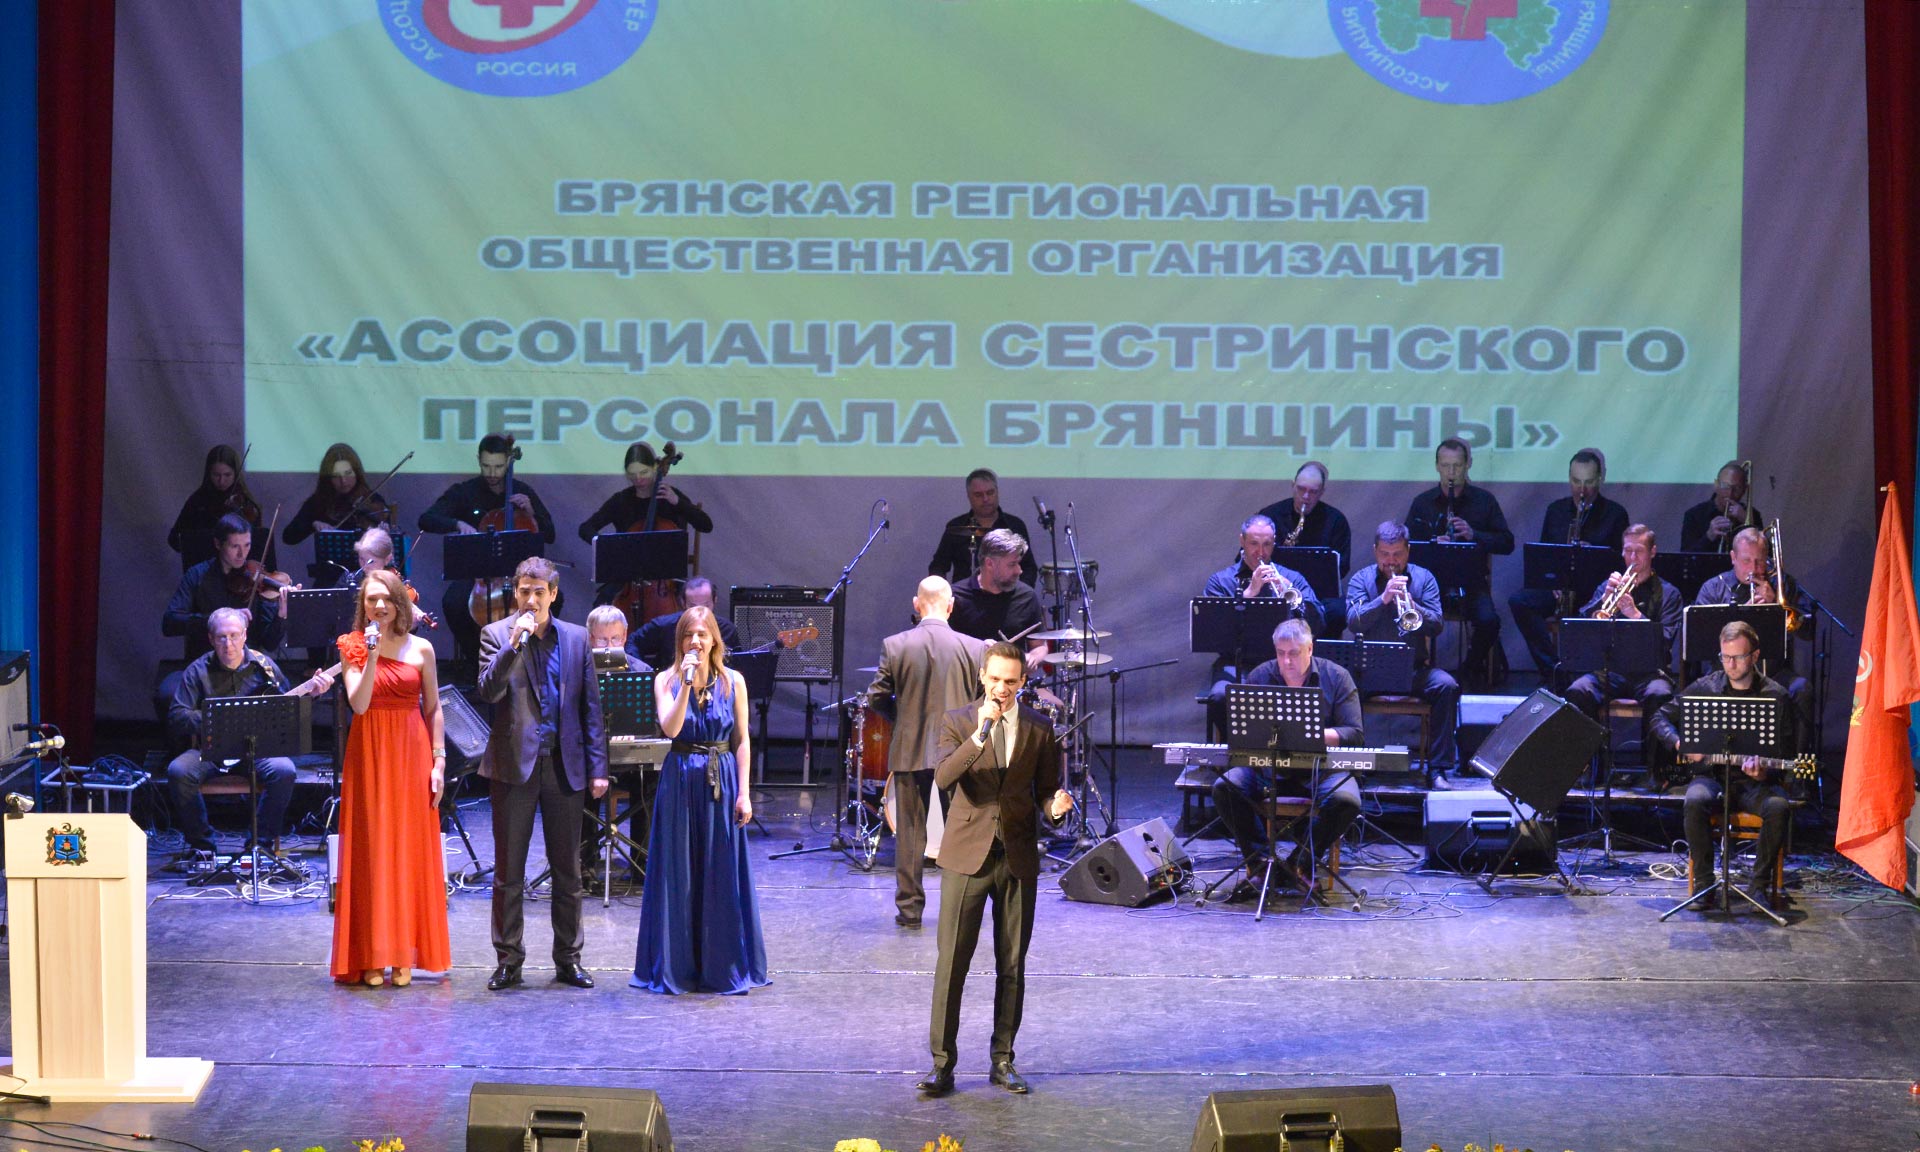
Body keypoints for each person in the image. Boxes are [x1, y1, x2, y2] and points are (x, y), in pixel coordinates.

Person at [917, 643, 1074, 1098]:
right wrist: (979, 736)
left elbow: (1045, 790)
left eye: (1011, 681)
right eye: (995, 679)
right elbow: (944, 777)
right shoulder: (959, 721)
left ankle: (1003, 1060)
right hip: (967, 855)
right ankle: (942, 1064)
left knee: (1012, 964)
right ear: (982, 678)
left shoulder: (1040, 728)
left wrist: (1055, 807)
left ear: (1022, 682)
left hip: (1016, 856)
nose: (1002, 688)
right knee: (952, 963)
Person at [474, 557, 607, 992]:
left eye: (538, 592)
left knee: (568, 871)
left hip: (564, 766)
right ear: (515, 592)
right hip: (514, 767)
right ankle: (509, 960)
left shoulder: (576, 638)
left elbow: (591, 709)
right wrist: (514, 644)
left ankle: (568, 959)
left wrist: (598, 767)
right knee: (508, 872)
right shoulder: (496, 634)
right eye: (523, 591)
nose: (530, 600)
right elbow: (488, 691)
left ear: (553, 594)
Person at [632, 605, 769, 995]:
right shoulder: (666, 679)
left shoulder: (734, 681)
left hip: (720, 778)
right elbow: (671, 728)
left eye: (702, 635)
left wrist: (744, 793)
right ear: (680, 641)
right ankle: (678, 965)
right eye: (688, 635)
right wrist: (686, 685)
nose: (695, 641)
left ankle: (722, 965)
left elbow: (741, 741)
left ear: (714, 641)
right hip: (679, 779)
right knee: (679, 873)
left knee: (720, 870)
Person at [329, 570, 452, 987]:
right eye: (370, 600)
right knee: (372, 850)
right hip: (369, 753)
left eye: (385, 599)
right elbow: (360, 704)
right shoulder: (352, 646)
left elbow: (434, 708)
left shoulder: (422, 649)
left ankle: (401, 953)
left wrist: (438, 761)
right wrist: (371, 655)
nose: (378, 606)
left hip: (412, 752)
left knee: (406, 849)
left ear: (399, 603)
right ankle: (371, 954)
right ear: (362, 605)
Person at [866, 577, 986, 929]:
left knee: (909, 835)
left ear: (917, 605)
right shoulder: (974, 648)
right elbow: (984, 701)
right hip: (958, 753)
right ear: (951, 606)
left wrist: (902, 717)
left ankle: (909, 911)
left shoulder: (895, 645)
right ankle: (960, 909)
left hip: (910, 748)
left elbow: (876, 697)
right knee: (960, 832)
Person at [1210, 620, 1364, 893]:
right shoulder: (1261, 675)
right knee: (1225, 787)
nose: (1286, 661)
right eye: (1280, 653)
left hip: (1320, 769)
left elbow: (1354, 733)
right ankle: (1260, 864)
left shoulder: (1337, 677)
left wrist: (1310, 733)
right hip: (1267, 768)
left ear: (1310, 649)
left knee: (1346, 800)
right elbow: (1243, 731)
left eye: (1294, 653)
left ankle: (1299, 863)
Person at [1649, 621, 1797, 906]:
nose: (1730, 664)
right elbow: (1659, 717)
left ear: (1755, 656)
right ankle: (1704, 885)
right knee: (1694, 800)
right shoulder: (1705, 687)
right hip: (1712, 778)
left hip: (1755, 784)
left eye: (1738, 657)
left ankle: (1758, 887)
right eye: (1725, 657)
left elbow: (1787, 752)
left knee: (1778, 807)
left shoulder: (1775, 695)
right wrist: (1681, 744)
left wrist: (1764, 772)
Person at [165, 608, 329, 860]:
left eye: (234, 635)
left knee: (284, 770)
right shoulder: (197, 670)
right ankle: (203, 847)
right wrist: (219, 719)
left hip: (256, 749)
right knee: (179, 771)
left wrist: (313, 695)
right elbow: (177, 715)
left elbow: (288, 707)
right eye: (221, 637)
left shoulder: (264, 666)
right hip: (210, 749)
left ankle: (259, 846)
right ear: (211, 639)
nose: (228, 643)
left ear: (244, 636)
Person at [418, 434, 558, 666]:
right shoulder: (465, 491)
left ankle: (535, 661)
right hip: (478, 574)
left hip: (520, 574)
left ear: (508, 462)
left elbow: (550, 534)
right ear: (478, 460)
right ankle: (478, 663)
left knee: (555, 598)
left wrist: (532, 512)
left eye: (499, 467)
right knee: (454, 603)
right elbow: (426, 519)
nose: (492, 473)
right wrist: (457, 524)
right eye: (486, 466)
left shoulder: (522, 492)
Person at [1345, 522, 1460, 786]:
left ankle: (1438, 769)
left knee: (1446, 686)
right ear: (1375, 551)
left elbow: (1437, 624)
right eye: (1385, 554)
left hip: (1413, 670)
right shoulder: (1361, 579)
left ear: (1408, 551)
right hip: (1370, 670)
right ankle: (1353, 767)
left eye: (1397, 554)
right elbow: (1353, 621)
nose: (1391, 561)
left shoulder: (1424, 578)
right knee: (1342, 687)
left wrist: (1412, 605)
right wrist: (1383, 599)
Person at [1562, 525, 1683, 767]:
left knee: (1660, 695)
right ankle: (1592, 768)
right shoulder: (1606, 587)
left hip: (1650, 673)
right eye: (1628, 551)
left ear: (1653, 552)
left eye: (1639, 551)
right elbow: (1584, 627)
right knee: (1578, 690)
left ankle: (1656, 772)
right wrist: (1603, 600)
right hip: (1611, 670)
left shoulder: (1669, 594)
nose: (1633, 558)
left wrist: (1635, 614)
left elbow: (1666, 641)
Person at [1509, 448, 1632, 677]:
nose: (1582, 490)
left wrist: (1591, 553)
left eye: (1588, 482)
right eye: (1576, 481)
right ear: (1568, 478)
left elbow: (1620, 563)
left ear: (1600, 479)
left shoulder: (1615, 514)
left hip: (1595, 591)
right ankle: (1553, 669)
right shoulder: (1556, 510)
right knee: (1520, 602)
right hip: (1560, 589)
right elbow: (1544, 556)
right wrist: (1552, 582)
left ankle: (1587, 673)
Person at [1404, 438, 1513, 688]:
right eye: (1445, 466)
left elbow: (1507, 543)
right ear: (1437, 466)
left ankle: (1470, 668)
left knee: (1489, 621)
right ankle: (1419, 674)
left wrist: (1475, 535)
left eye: (1457, 466)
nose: (1451, 473)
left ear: (1468, 464)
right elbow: (1407, 546)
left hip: (1472, 582)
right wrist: (1434, 543)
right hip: (1432, 585)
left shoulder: (1484, 501)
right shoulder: (1423, 502)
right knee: (1410, 615)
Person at [1692, 526, 1814, 744]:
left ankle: (1796, 764)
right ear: (1733, 557)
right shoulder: (1713, 588)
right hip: (1726, 673)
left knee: (1802, 689)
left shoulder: (1782, 584)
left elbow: (1807, 631)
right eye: (1746, 561)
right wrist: (1746, 614)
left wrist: (1776, 605)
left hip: (1773, 673)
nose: (1754, 569)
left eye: (1759, 561)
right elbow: (1701, 640)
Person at [1204, 515, 1323, 731]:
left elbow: (1319, 622)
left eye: (1267, 544)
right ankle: (1237, 747)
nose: (1260, 552)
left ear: (1274, 543)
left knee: (1312, 696)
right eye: (1254, 544)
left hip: (1283, 663)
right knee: (1220, 697)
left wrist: (1290, 591)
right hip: (1236, 663)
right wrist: (1249, 594)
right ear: (1242, 541)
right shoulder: (1221, 581)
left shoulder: (1292, 578)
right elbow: (1213, 631)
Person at [578, 441, 715, 608]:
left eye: (644, 472)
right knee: (601, 608)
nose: (638, 478)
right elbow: (585, 528)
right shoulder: (621, 500)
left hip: (667, 579)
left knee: (678, 608)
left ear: (655, 468)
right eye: (632, 473)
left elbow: (706, 525)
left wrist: (677, 502)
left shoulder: (669, 496)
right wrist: (610, 546)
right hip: (627, 579)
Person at [581, 604, 652, 882]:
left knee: (650, 782)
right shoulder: (577, 671)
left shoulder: (640, 670)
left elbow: (650, 723)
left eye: (615, 639)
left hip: (628, 759)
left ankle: (641, 862)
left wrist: (635, 734)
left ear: (624, 637)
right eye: (602, 640)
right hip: (589, 759)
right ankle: (584, 863)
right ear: (590, 638)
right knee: (577, 784)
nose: (609, 646)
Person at [163, 514, 288, 663]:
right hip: (206, 664)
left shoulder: (257, 582)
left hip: (247, 666)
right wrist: (216, 619)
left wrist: (281, 616)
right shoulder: (197, 575)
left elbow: (270, 644)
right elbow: (170, 623)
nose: (242, 554)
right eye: (235, 546)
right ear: (218, 544)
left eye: (247, 545)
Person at [1255, 460, 1352, 634]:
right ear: (1293, 485)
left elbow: (1342, 567)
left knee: (1339, 611)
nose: (1306, 497)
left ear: (1322, 492)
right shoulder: (1270, 516)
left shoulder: (1336, 521)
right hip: (1276, 591)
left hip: (1318, 594)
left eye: (1313, 492)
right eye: (1301, 489)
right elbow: (1247, 557)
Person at [949, 530, 1048, 674]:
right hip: (968, 682)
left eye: (1018, 563)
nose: (1019, 570)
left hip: (1011, 682)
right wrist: (977, 648)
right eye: (1012, 564)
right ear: (989, 563)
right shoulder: (956, 596)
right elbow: (942, 648)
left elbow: (1040, 646)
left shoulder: (1026, 596)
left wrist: (1033, 658)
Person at [928, 468, 1038, 587]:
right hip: (964, 596)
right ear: (969, 496)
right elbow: (938, 566)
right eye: (978, 495)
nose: (985, 499)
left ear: (997, 492)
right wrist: (941, 591)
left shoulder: (1015, 525)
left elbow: (1029, 568)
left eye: (990, 493)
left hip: (1007, 596)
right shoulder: (956, 527)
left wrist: (1019, 593)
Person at [168, 445, 261, 572]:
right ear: (208, 473)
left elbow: (257, 546)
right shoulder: (197, 501)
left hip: (238, 574)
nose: (221, 481)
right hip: (203, 572)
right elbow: (174, 540)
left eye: (227, 475)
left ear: (236, 474)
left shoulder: (245, 503)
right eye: (216, 475)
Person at [283, 442, 390, 549]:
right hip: (329, 560)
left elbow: (388, 548)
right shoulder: (318, 502)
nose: (343, 481)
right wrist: (313, 523)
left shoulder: (373, 500)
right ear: (327, 478)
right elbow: (288, 537)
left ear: (357, 473)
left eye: (348, 473)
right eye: (336, 476)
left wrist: (385, 536)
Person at [627, 577, 741, 671]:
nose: (699, 612)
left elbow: (738, 665)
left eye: (705, 606)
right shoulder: (665, 625)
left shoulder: (727, 629)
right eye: (692, 606)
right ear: (683, 603)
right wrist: (641, 671)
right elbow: (633, 641)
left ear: (715, 600)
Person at [1680, 461, 1761, 554]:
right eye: (1725, 486)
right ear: (1716, 485)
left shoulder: (1752, 515)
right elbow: (1685, 558)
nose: (1730, 493)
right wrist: (1709, 536)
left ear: (1744, 489)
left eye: (1737, 488)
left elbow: (1767, 555)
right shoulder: (1694, 515)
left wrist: (1748, 524)